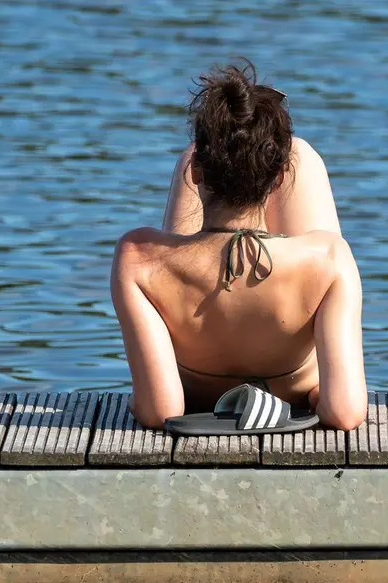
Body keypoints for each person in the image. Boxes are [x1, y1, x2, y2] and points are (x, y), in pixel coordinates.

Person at [111, 62, 367, 430]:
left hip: (200, 395)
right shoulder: (330, 258)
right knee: (300, 150)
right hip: (292, 389)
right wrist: (310, 393)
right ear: (280, 178)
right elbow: (344, 413)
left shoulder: (137, 257)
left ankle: (224, 153)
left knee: (200, 152)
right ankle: (257, 153)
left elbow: (159, 410)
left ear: (197, 174)